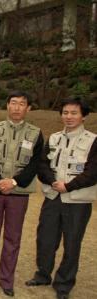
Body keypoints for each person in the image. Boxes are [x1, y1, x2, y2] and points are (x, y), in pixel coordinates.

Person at [25, 97, 96, 299]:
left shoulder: (93, 140)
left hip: (77, 201)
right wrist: (54, 182)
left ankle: (63, 284)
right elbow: (42, 165)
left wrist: (69, 186)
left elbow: (93, 172)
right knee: (45, 239)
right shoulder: (54, 138)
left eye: (74, 113)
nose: (69, 117)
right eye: (65, 112)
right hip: (53, 197)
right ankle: (42, 274)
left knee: (72, 243)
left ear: (83, 116)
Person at [0, 91, 44, 297]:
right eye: (13, 103)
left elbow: (35, 164)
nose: (16, 107)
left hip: (19, 193)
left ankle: (6, 280)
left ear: (28, 108)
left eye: (21, 104)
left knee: (12, 238)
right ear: (7, 106)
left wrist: (14, 181)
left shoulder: (35, 133)